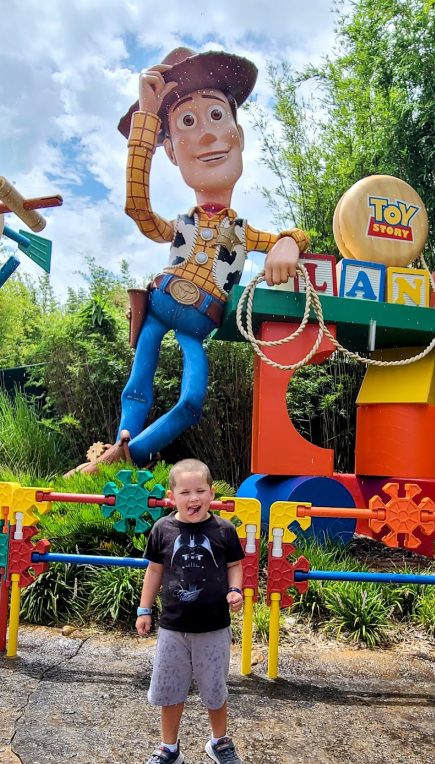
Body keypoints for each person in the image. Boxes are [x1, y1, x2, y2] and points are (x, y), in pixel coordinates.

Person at [70, 47, 308, 475]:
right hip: (161, 305)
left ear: (239, 134)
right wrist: (146, 115)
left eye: (218, 117)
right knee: (138, 381)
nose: (207, 135)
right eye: (186, 123)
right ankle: (122, 440)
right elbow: (137, 209)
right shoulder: (180, 225)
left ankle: (128, 456)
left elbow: (293, 237)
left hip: (201, 319)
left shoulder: (243, 232)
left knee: (192, 401)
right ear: (170, 151)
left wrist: (289, 242)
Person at [136, 458, 246, 764]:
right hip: (172, 627)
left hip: (214, 627)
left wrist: (235, 591)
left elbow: (234, 566)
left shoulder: (224, 530)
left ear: (211, 494)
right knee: (170, 689)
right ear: (172, 497)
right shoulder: (163, 529)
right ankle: (169, 749)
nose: (193, 498)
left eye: (200, 491)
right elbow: (154, 570)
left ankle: (219, 742)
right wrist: (144, 609)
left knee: (214, 689)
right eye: (185, 492)